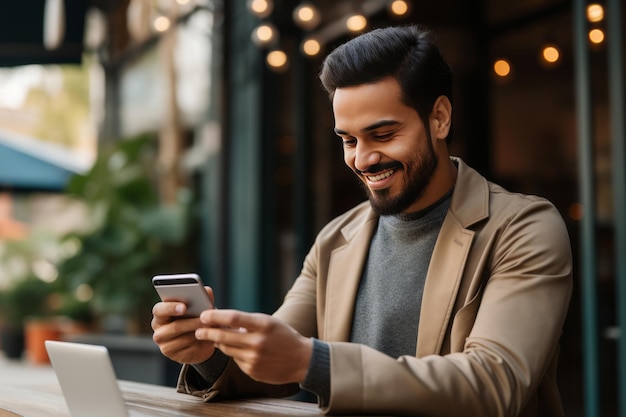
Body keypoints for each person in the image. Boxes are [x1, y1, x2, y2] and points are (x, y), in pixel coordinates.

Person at [152, 25, 573, 417]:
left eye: (384, 135)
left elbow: (493, 385)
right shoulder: (336, 239)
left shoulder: (524, 228)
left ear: (440, 118)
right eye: (348, 140)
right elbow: (273, 362)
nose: (362, 159)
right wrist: (208, 354)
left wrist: (311, 360)